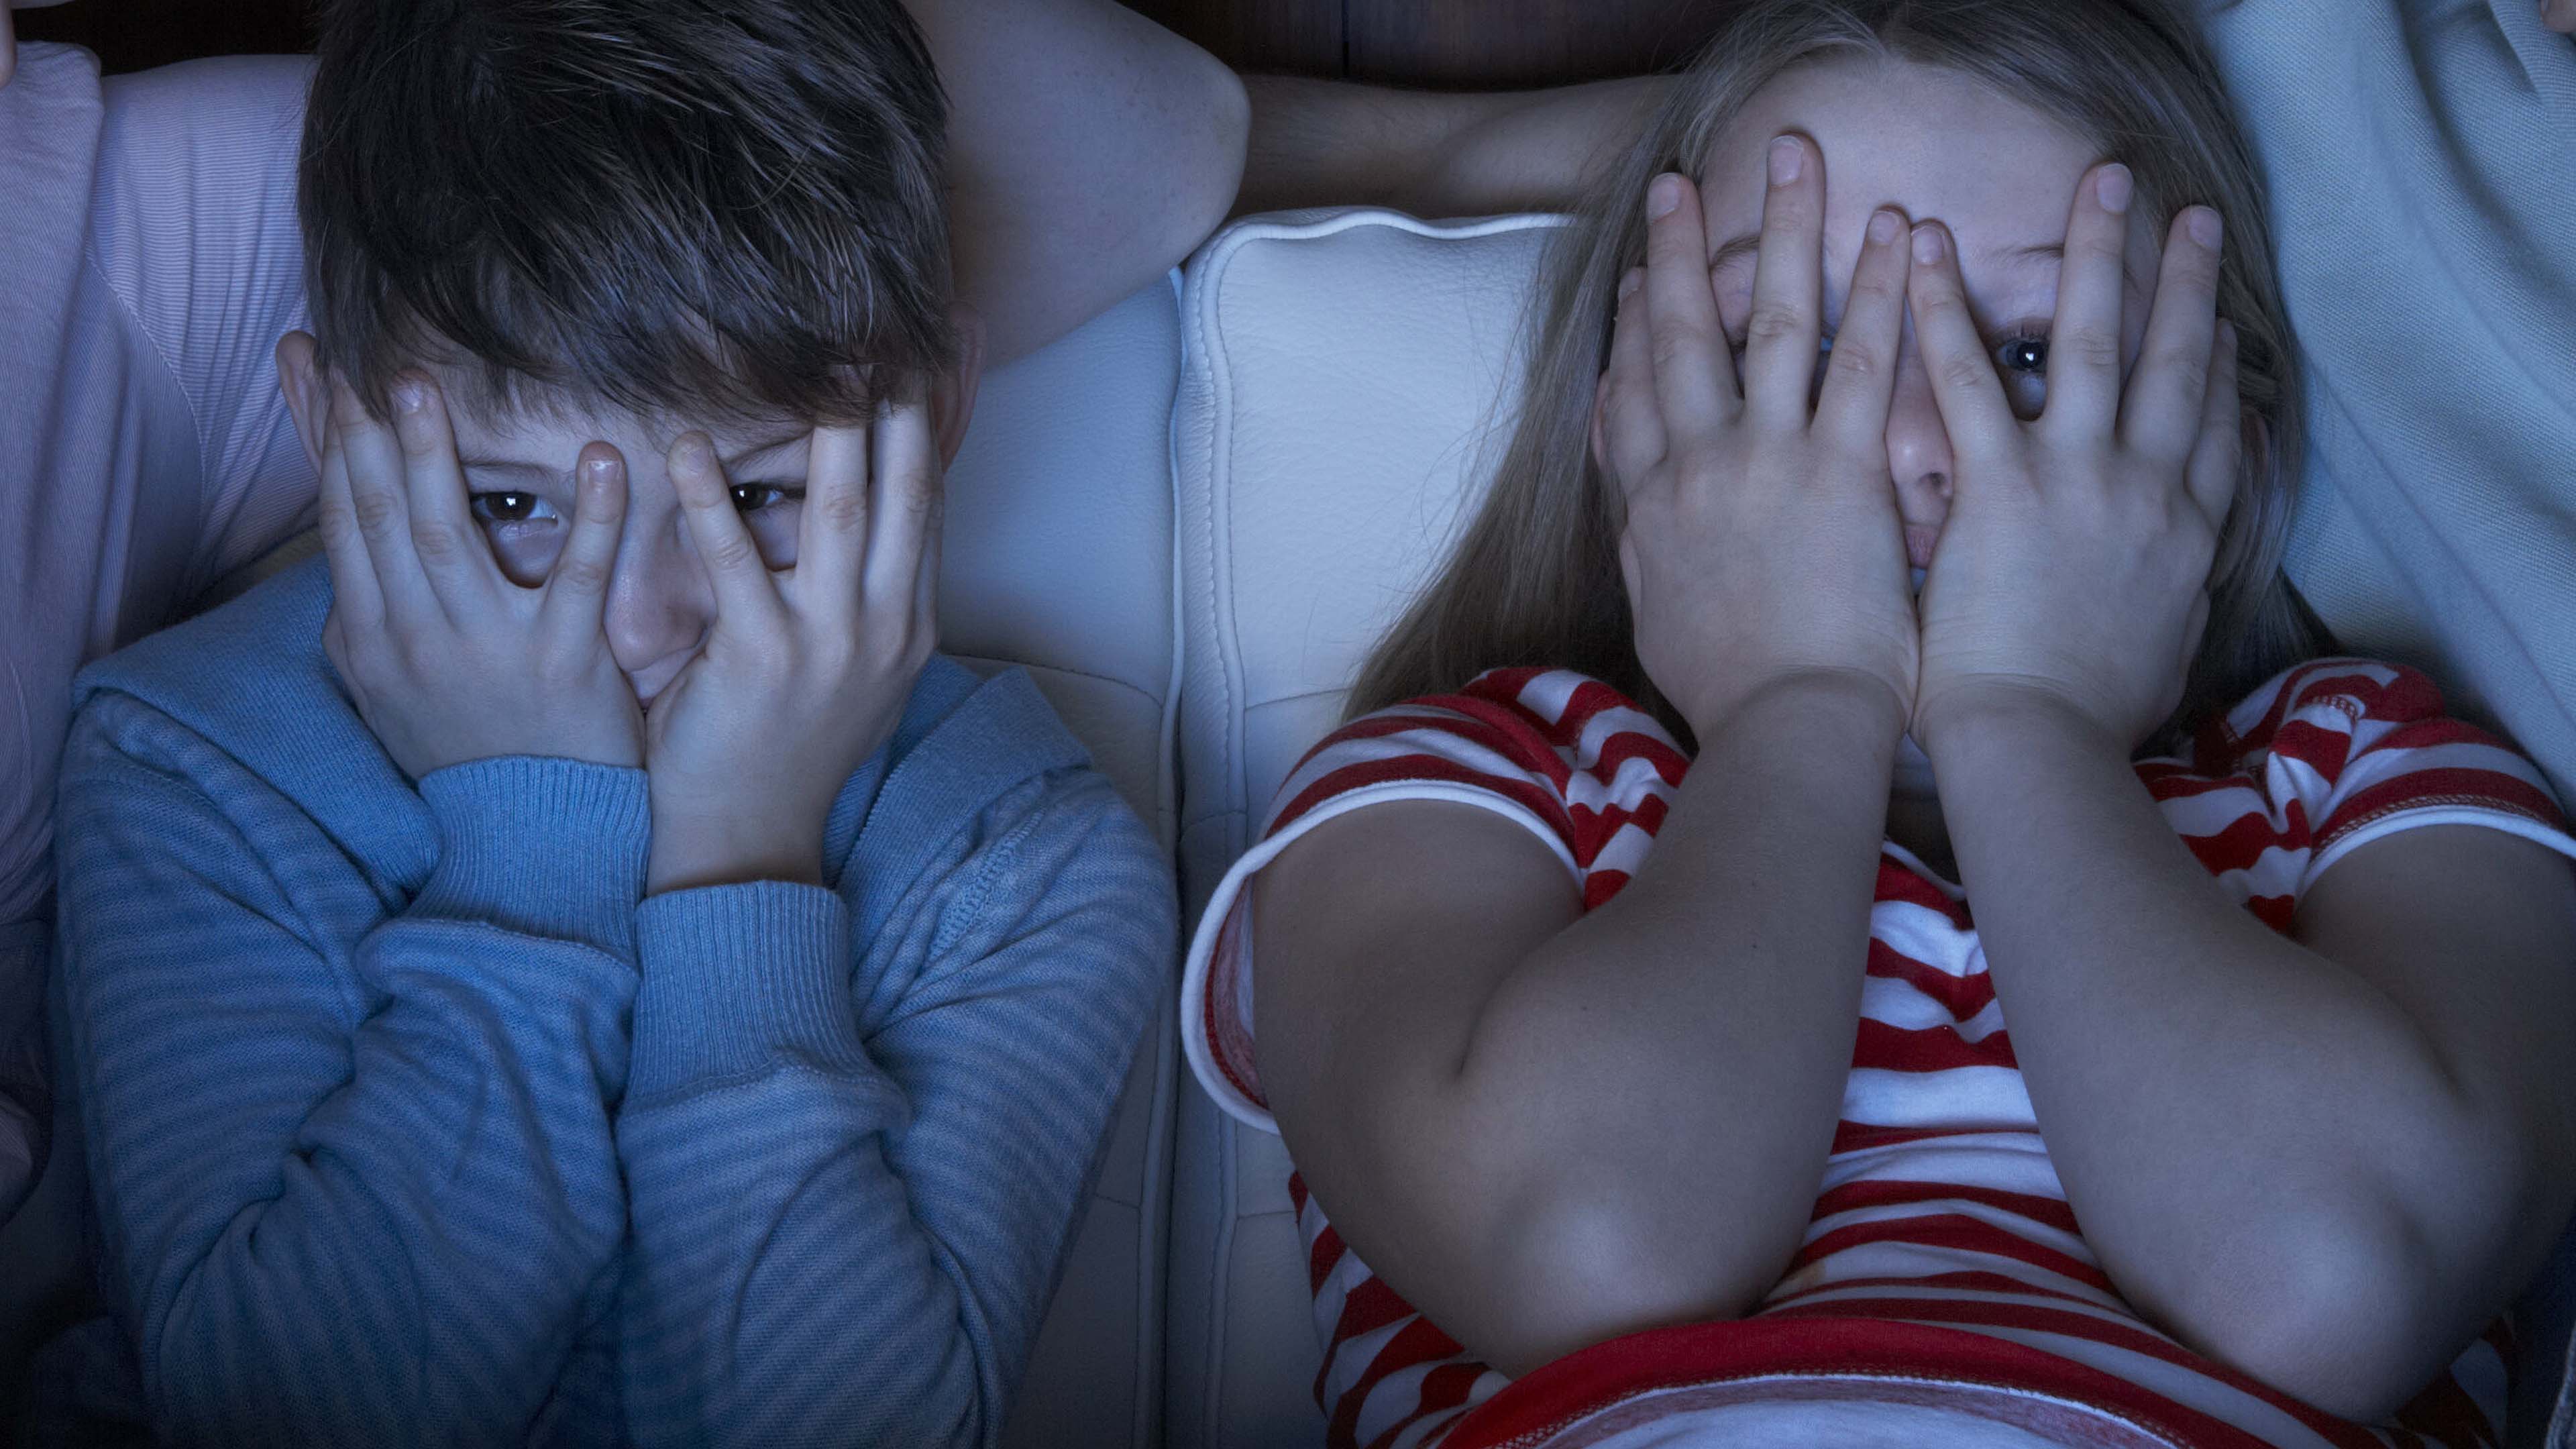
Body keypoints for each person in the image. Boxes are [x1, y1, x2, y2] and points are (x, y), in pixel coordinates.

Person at [1177, 1, 2576, 1445]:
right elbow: (1590, 1252)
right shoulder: (1465, 785)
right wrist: (1801, 699)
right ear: (1622, 427)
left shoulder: (2365, 777)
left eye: (2032, 356)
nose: (1905, 437)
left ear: (2230, 446)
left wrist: (2026, 715)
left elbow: (2326, 1280)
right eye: (1795, 344)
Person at [34, 0, 1191, 1441]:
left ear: (940, 410)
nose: (642, 626)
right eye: (513, 507)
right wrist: (532, 848)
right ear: (330, 430)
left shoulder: (1017, 858)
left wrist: (743, 858)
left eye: (758, 496)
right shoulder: (194, 763)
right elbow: (289, 1411)